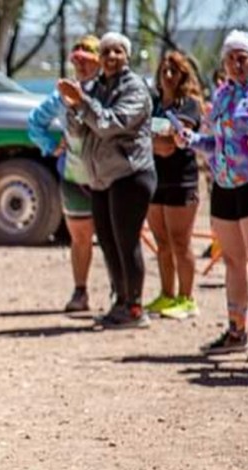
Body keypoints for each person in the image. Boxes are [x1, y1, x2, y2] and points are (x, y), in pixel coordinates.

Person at [176, 30, 248, 360]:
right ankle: (236, 330)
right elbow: (216, 144)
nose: (236, 64)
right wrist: (191, 140)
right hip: (223, 186)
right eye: (230, 58)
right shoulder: (222, 96)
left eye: (242, 58)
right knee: (233, 261)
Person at [59, 32, 157, 329]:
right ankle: (121, 302)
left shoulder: (135, 88)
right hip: (100, 179)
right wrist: (74, 107)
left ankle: (136, 308)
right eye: (106, 53)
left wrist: (83, 102)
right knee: (109, 243)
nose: (111, 57)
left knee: (127, 242)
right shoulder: (98, 87)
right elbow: (79, 131)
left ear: (127, 56)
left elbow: (110, 124)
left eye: (117, 52)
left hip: (131, 175)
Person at [27, 35, 101, 312]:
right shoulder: (62, 95)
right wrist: (51, 145)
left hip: (109, 177)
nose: (81, 65)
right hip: (74, 175)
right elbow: (35, 123)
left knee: (114, 238)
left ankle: (124, 296)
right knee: (80, 237)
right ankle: (80, 292)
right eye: (77, 61)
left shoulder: (108, 92)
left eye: (87, 60)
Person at [144, 51, 204, 320]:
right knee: (162, 242)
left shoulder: (189, 104)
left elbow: (171, 145)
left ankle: (187, 297)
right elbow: (148, 136)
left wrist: (155, 135)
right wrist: (160, 133)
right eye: (164, 71)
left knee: (181, 242)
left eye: (174, 71)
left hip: (182, 181)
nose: (168, 76)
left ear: (183, 74)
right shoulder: (153, 103)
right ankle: (166, 294)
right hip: (155, 180)